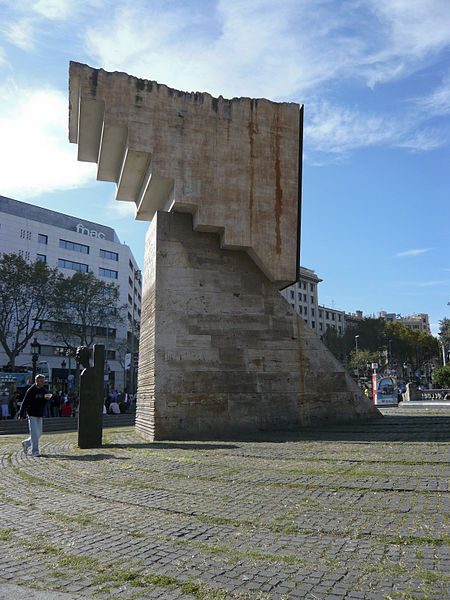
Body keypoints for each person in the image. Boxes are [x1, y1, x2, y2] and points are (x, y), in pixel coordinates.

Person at [18, 374, 51, 457]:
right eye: (41, 381)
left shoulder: (44, 390)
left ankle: (26, 443)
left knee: (39, 433)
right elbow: (24, 403)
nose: (43, 382)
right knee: (34, 433)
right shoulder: (31, 390)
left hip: (40, 414)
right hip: (32, 414)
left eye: (43, 381)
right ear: (36, 381)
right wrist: (21, 414)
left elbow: (43, 402)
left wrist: (46, 399)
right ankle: (35, 451)